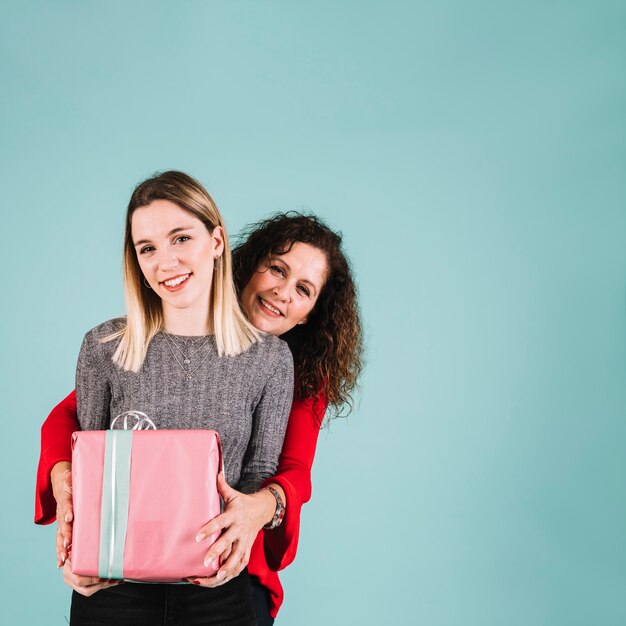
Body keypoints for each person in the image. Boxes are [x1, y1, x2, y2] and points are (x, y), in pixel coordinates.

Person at [35, 208, 364, 623]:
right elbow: (72, 420)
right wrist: (68, 486)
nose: (282, 291)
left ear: (312, 310)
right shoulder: (159, 338)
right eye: (276, 270)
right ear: (246, 266)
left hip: (229, 558)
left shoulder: (298, 375)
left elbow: (293, 470)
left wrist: (258, 508)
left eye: (303, 289)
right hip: (136, 558)